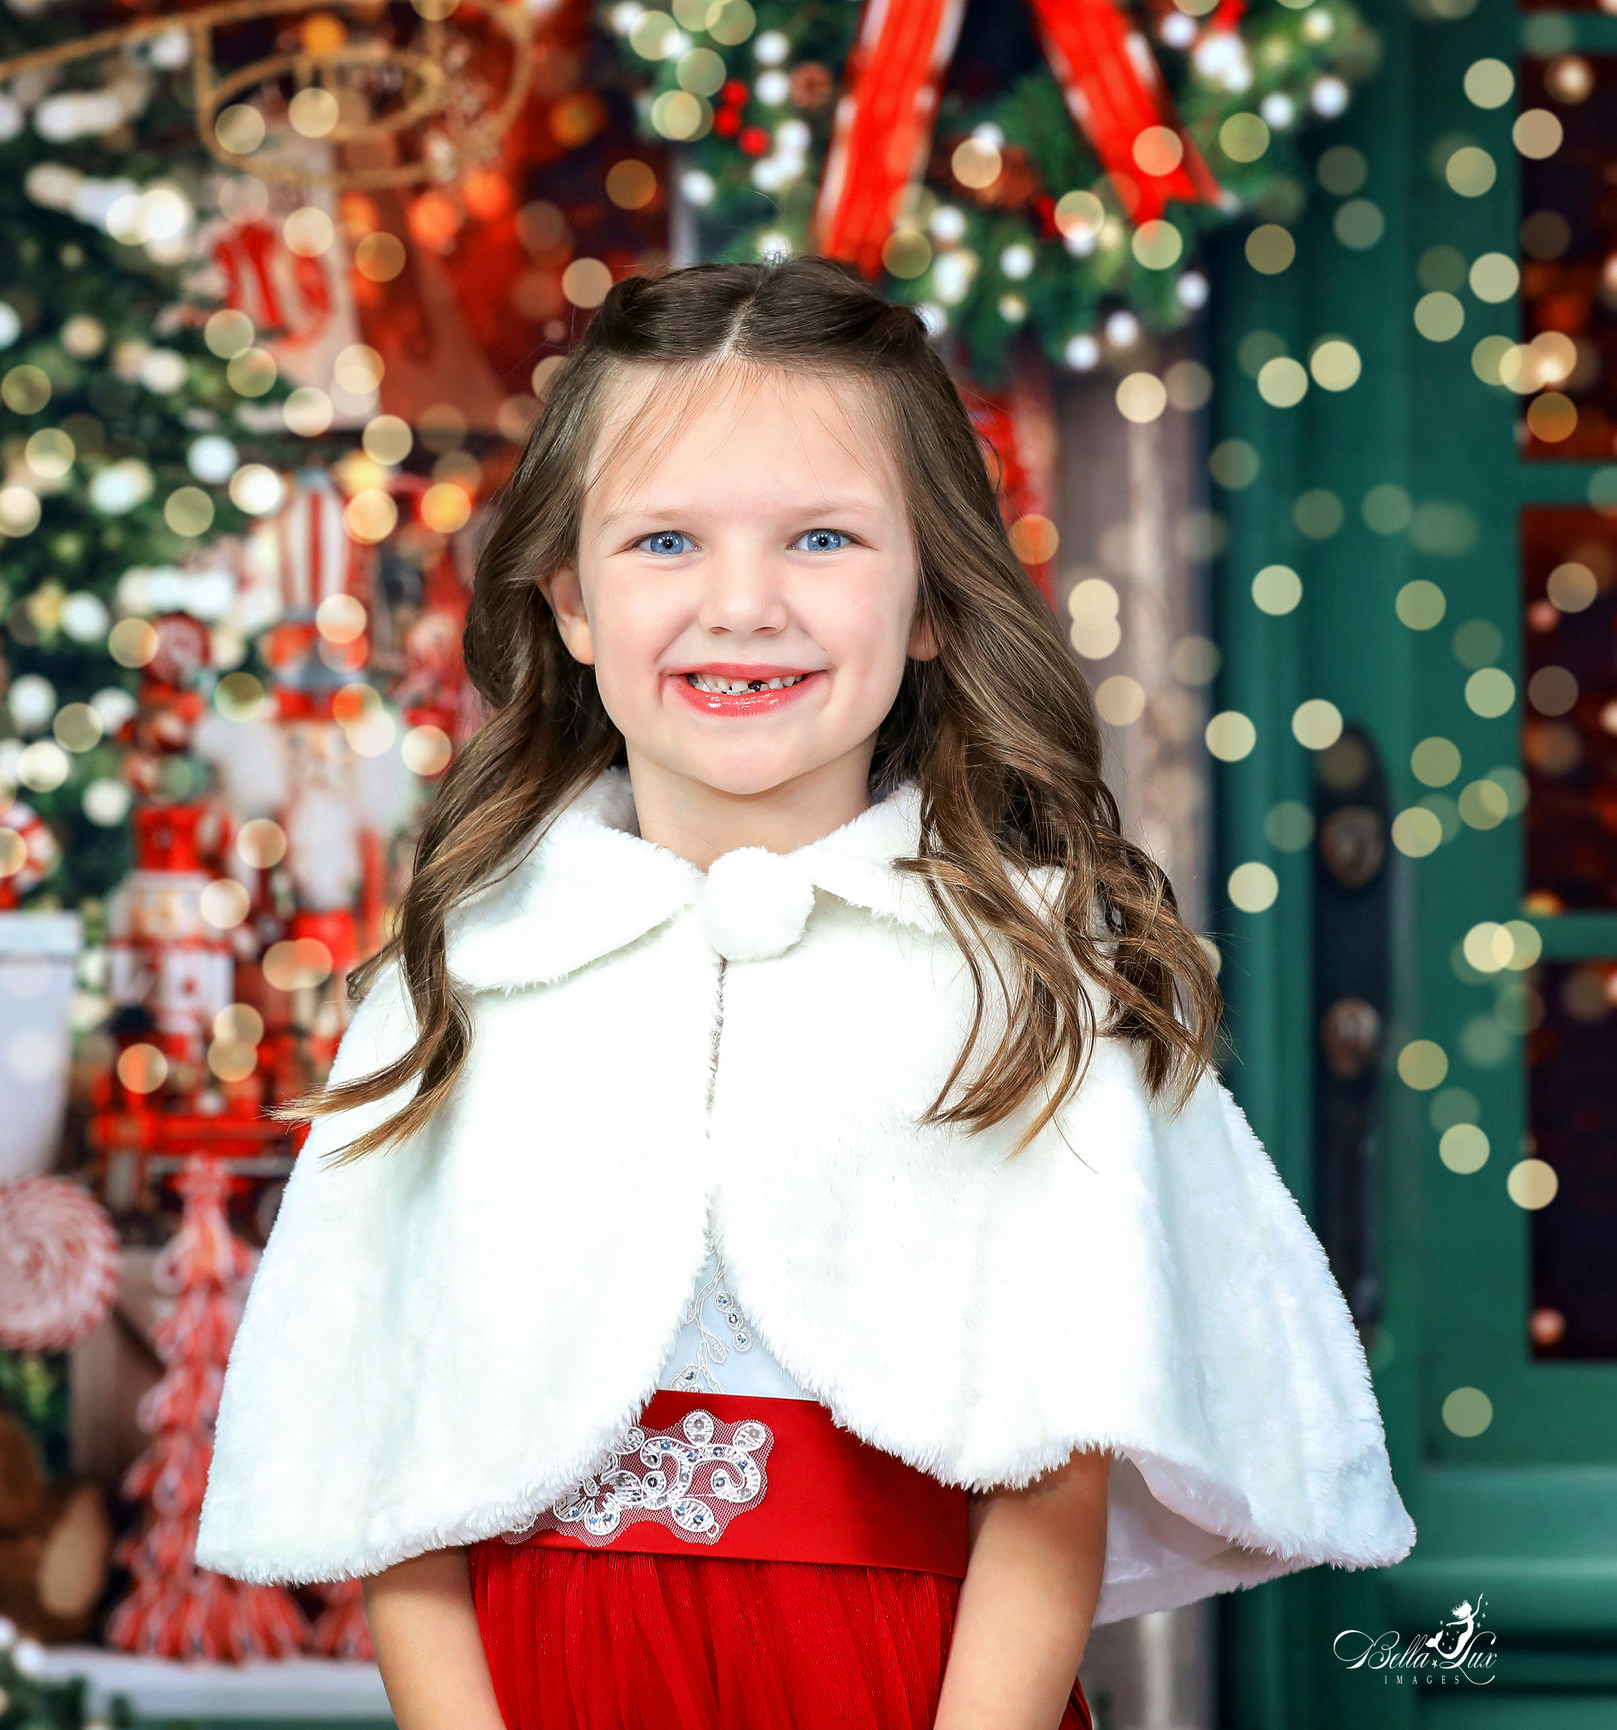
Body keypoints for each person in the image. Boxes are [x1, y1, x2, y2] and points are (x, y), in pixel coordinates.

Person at [195, 257, 1416, 1730]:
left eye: (823, 536)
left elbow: (1054, 1470)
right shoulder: (471, 972)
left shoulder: (1019, 975)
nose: (742, 603)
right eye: (665, 542)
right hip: (547, 1683)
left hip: (905, 1684)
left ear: (929, 604)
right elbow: (390, 1464)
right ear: (571, 601)